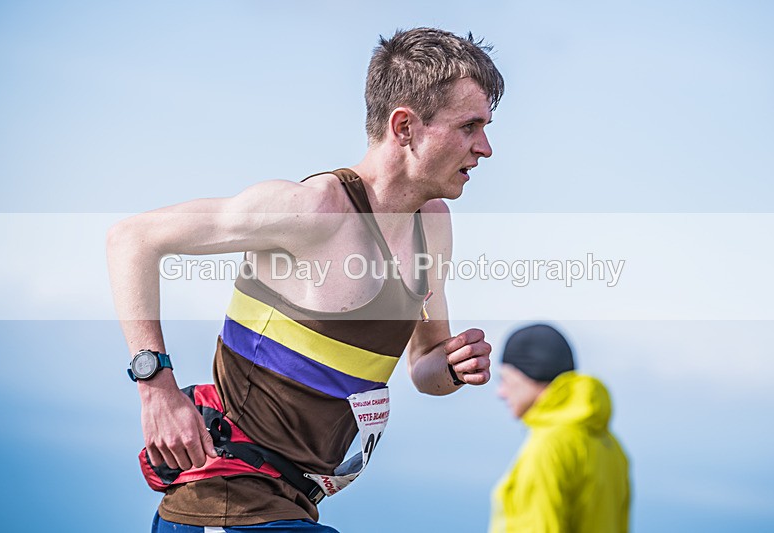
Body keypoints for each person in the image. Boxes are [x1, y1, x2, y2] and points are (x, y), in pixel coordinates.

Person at [107, 27, 504, 532]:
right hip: (225, 502)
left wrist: (451, 366)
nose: (486, 147)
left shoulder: (434, 225)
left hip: (294, 506)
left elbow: (424, 367)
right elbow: (132, 239)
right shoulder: (313, 209)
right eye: (469, 125)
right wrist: (156, 388)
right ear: (404, 126)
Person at [490, 324, 630, 533]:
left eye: (505, 379)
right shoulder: (609, 444)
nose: (500, 392)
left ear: (530, 373)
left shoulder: (548, 446)